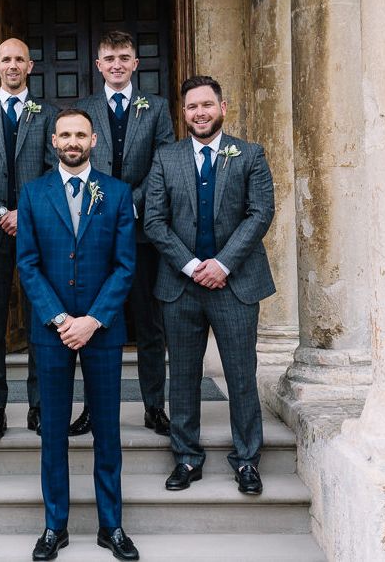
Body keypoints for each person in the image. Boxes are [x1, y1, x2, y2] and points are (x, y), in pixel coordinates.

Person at [17, 109, 139, 561]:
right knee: (53, 432)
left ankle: (112, 526)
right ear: (53, 141)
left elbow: (125, 265)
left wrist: (92, 320)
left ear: (93, 141)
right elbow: (27, 264)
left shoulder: (118, 193)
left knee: (107, 430)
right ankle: (55, 526)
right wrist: (60, 319)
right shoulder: (32, 194)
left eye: (80, 135)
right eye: (65, 134)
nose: (73, 141)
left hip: (102, 331)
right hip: (52, 334)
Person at [144, 75, 275, 495]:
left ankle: (246, 460)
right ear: (183, 114)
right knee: (182, 376)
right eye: (191, 107)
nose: (199, 113)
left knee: (240, 375)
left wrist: (222, 264)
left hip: (235, 285)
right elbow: (154, 221)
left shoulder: (250, 155)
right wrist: (190, 264)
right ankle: (186, 457)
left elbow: (259, 214)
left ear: (222, 107)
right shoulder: (167, 158)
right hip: (180, 287)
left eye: (206, 105)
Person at [70, 30, 175, 437]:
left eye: (124, 57)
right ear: (98, 65)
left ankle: (153, 406)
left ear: (135, 63)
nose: (116, 64)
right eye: (109, 57)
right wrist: (107, 204)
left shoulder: (158, 108)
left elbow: (163, 160)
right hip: (95, 233)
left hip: (143, 231)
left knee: (150, 324)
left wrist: (130, 203)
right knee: (96, 320)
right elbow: (77, 162)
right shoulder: (84, 108)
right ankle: (95, 410)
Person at [0, 38, 57, 439]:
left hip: (39, 235)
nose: (14, 65)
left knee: (41, 321)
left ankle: (38, 406)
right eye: (7, 59)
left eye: (20, 59)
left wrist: (26, 214)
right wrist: (1, 212)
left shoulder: (49, 115)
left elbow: (57, 168)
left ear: (30, 66)